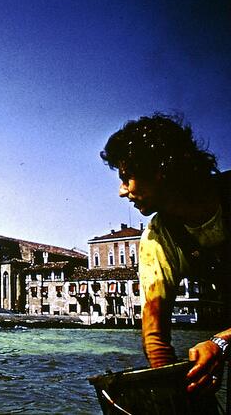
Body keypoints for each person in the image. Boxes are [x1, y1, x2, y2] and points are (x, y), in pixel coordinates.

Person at [101, 113, 231, 398]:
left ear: (160, 171)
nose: (122, 191)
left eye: (127, 178)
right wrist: (177, 387)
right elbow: (155, 329)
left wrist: (221, 343)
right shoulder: (159, 235)